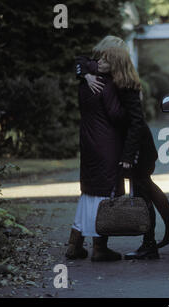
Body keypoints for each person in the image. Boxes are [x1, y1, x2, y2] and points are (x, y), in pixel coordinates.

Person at [74, 36, 169, 260]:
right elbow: (81, 60)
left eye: (105, 60)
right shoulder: (111, 77)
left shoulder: (127, 85)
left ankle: (156, 237)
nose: (99, 63)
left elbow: (135, 124)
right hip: (131, 147)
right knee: (145, 188)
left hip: (138, 147)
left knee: (143, 190)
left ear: (115, 61)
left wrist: (128, 155)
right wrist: (85, 73)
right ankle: (167, 228)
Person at [65, 38, 127, 262]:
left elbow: (80, 62)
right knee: (104, 191)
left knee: (90, 191)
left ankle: (75, 243)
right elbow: (116, 115)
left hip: (89, 139)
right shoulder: (106, 82)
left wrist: (86, 73)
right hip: (106, 142)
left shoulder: (86, 79)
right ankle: (100, 247)